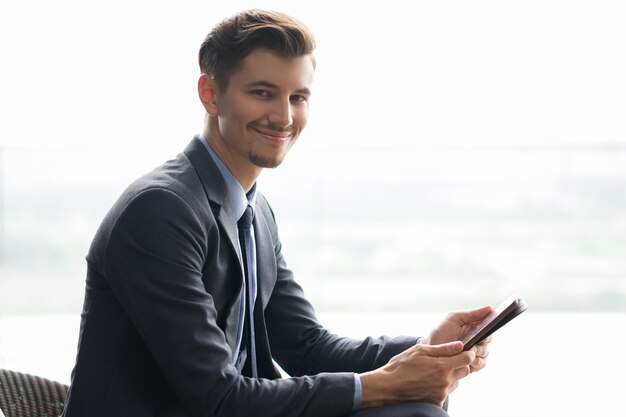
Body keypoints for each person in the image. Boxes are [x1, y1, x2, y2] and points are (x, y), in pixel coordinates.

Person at [62, 9, 492, 417]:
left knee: (415, 405)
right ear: (211, 95)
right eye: (262, 93)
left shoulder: (254, 211)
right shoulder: (160, 211)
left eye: (298, 97)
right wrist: (386, 384)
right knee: (409, 405)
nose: (284, 117)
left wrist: (428, 349)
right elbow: (218, 398)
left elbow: (306, 346)